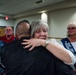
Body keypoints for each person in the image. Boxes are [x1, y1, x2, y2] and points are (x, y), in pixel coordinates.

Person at [0, 20, 75, 75]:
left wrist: (43, 43)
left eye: (45, 31)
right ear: (31, 34)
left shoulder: (52, 44)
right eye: (38, 31)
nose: (42, 34)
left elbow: (71, 59)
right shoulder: (28, 46)